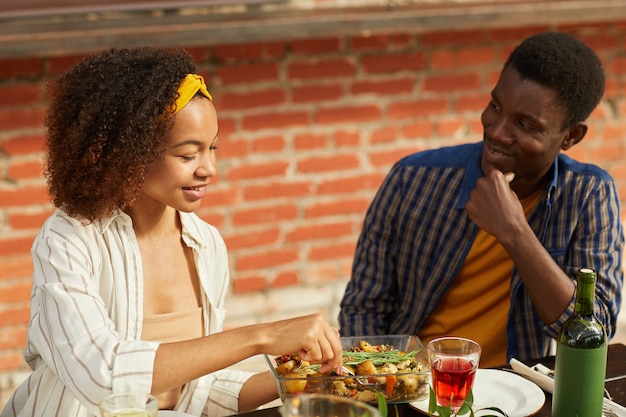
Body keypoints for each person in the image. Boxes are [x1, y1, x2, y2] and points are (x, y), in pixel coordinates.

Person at [1, 47, 343, 417]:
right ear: (128, 153)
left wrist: (301, 378)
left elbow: (191, 393)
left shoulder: (206, 244)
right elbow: (103, 377)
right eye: (187, 154)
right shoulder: (68, 240)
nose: (209, 168)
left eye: (212, 148)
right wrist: (262, 338)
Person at [338, 31, 624, 368]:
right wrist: (383, 383)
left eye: (524, 124)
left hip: (516, 391)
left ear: (570, 136)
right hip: (411, 383)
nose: (497, 131)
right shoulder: (413, 179)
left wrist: (514, 232)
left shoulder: (588, 194)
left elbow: (595, 332)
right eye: (496, 107)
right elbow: (363, 309)